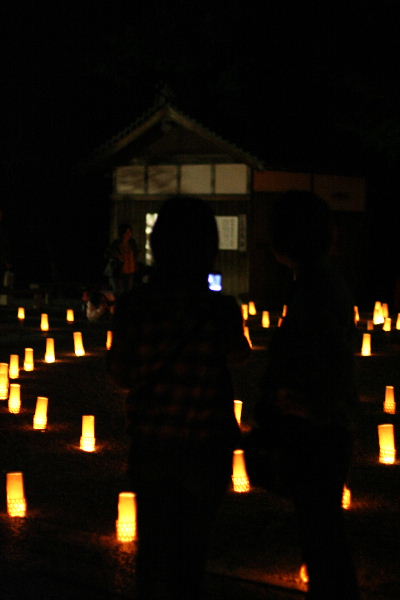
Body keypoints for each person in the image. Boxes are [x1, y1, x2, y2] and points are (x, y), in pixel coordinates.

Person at [107, 195, 250, 600]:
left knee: (153, 555)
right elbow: (239, 356)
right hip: (206, 448)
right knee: (192, 556)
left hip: (152, 445)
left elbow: (120, 374)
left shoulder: (135, 306)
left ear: (158, 245)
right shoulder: (221, 309)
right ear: (209, 247)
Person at [254, 191, 360, 599]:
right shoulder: (318, 282)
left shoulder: (316, 289)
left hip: (318, 425)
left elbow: (320, 360)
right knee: (321, 533)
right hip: (325, 421)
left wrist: (289, 403)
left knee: (322, 534)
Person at [104, 224, 139, 294]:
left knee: (128, 291)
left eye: (130, 232)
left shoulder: (132, 243)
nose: (128, 234)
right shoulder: (117, 243)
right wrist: (117, 256)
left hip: (130, 271)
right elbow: (108, 253)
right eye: (126, 232)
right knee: (119, 291)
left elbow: (135, 253)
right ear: (122, 233)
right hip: (119, 271)